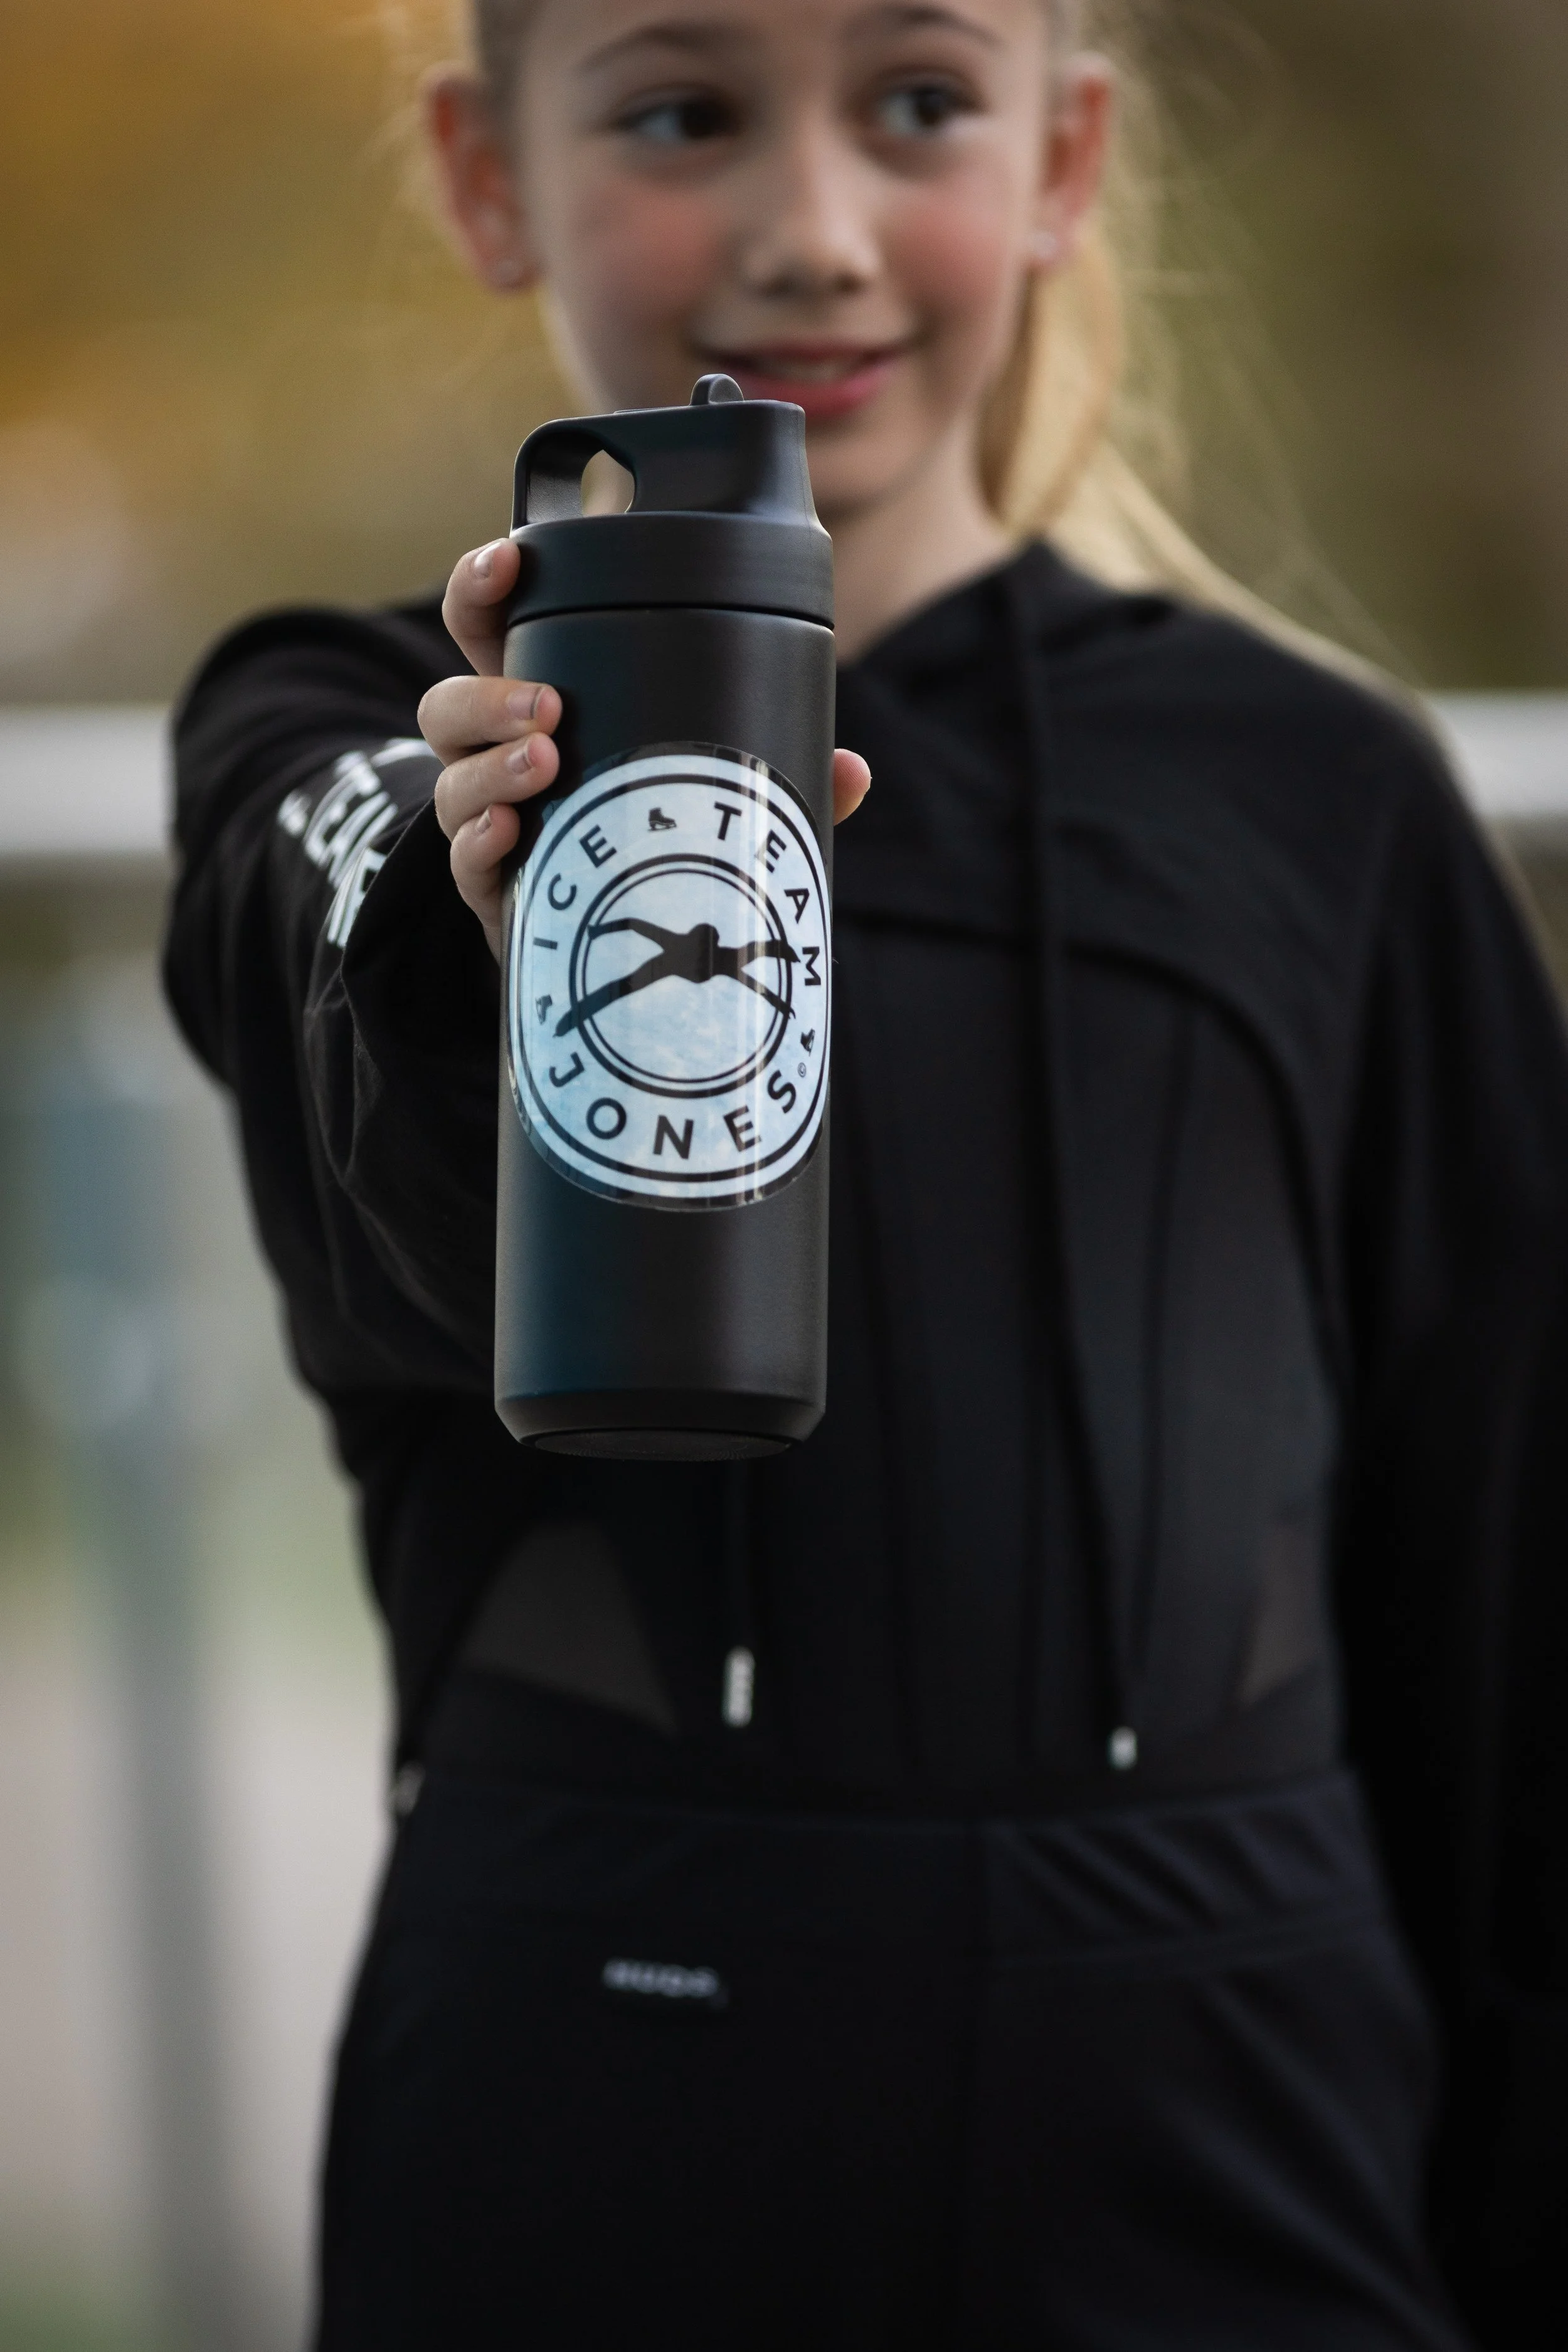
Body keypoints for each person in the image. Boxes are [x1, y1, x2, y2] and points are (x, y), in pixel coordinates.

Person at [163, 1, 1568, 2344]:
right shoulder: (346, 738)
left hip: (1240, 2146)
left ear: (1064, 155)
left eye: (917, 102)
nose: (810, 231)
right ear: (489, 172)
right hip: (583, 2148)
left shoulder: (1319, 795)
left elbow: (1510, 1638)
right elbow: (347, 1056)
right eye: (682, 111)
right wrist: (490, 918)